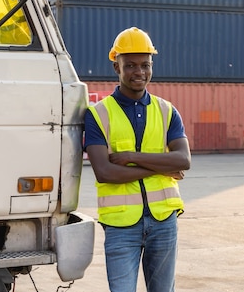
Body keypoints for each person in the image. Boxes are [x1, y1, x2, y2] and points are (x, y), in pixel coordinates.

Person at [84, 26, 191, 292]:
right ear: (116, 67)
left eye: (145, 64)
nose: (139, 72)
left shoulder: (167, 111)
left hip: (163, 220)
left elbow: (183, 160)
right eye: (129, 65)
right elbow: (105, 173)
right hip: (121, 224)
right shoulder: (97, 114)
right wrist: (160, 167)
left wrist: (131, 157)